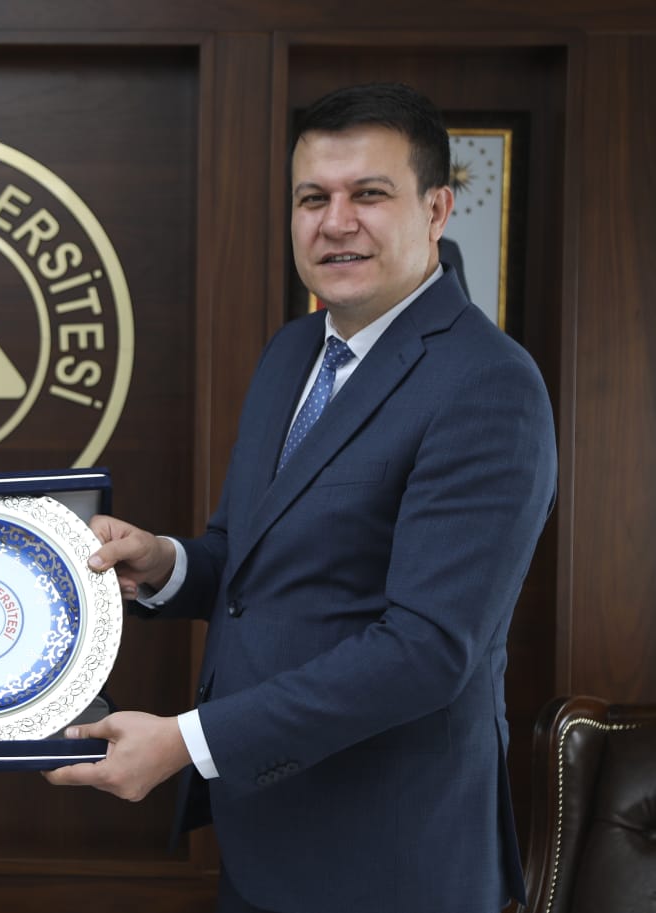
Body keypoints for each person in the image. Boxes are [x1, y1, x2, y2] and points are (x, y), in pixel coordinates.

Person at [46, 83, 557, 913]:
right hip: (264, 836)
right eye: (313, 198)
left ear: (437, 209)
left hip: (393, 859)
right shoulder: (292, 353)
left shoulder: (489, 384)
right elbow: (249, 560)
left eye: (369, 194)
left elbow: (427, 649)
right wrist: (166, 564)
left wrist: (188, 742)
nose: (335, 222)